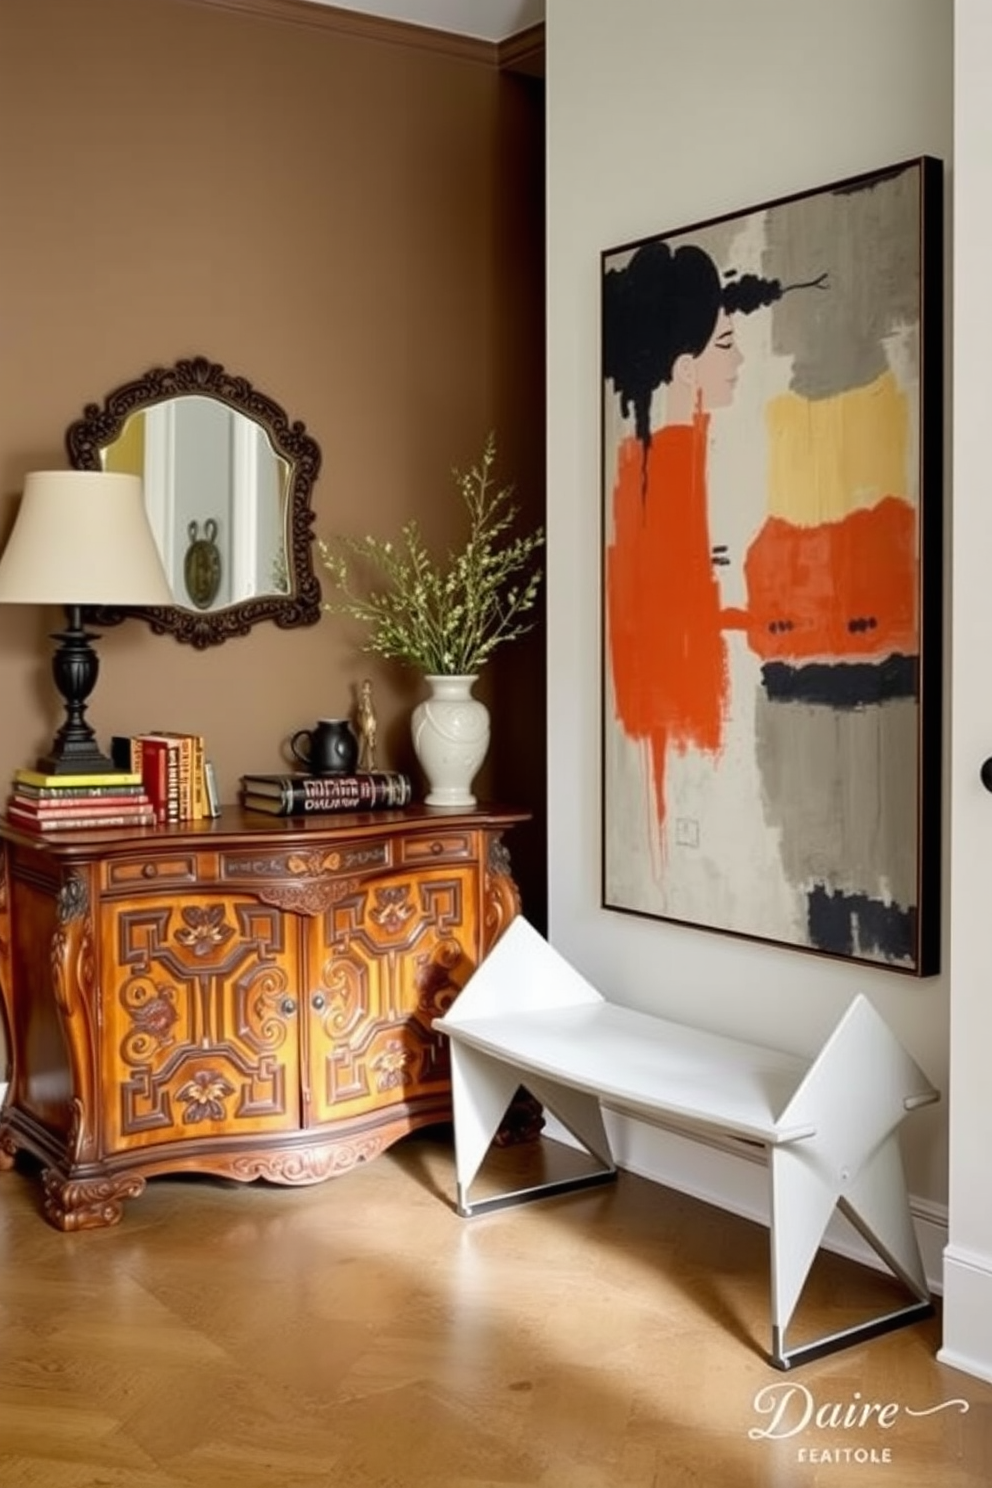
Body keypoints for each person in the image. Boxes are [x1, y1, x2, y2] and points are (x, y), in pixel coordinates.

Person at [357, 677, 378, 771]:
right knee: (362, 746)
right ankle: (359, 763)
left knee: (371, 747)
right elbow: (360, 714)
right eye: (365, 688)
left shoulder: (370, 703)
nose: (366, 690)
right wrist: (363, 724)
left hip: (371, 728)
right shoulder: (362, 702)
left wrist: (374, 724)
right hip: (365, 727)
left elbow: (373, 714)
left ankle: (371, 765)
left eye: (368, 688)